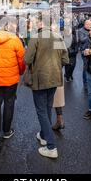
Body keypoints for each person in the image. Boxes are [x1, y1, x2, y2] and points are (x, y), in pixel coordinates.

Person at [25, 15, 69, 159]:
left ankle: (51, 146)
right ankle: (44, 135)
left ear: (41, 23)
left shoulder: (36, 37)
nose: (36, 23)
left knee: (41, 111)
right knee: (47, 108)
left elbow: (27, 59)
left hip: (40, 79)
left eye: (37, 21)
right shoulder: (58, 37)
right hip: (55, 78)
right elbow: (65, 59)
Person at [77, 19, 91, 90]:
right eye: (88, 25)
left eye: (90, 25)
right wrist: (89, 34)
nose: (89, 26)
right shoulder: (81, 31)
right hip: (84, 51)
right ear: (85, 24)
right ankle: (85, 83)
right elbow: (82, 40)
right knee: (86, 67)